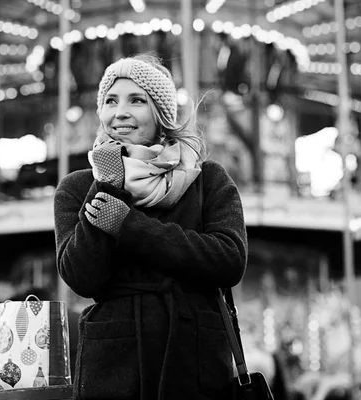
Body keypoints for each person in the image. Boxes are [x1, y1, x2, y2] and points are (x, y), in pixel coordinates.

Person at [53, 53, 248, 400]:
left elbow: (229, 259)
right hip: (116, 366)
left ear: (161, 114)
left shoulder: (207, 179)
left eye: (137, 100)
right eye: (110, 101)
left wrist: (131, 228)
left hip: (194, 359)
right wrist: (108, 184)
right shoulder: (78, 188)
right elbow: (81, 276)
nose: (120, 112)